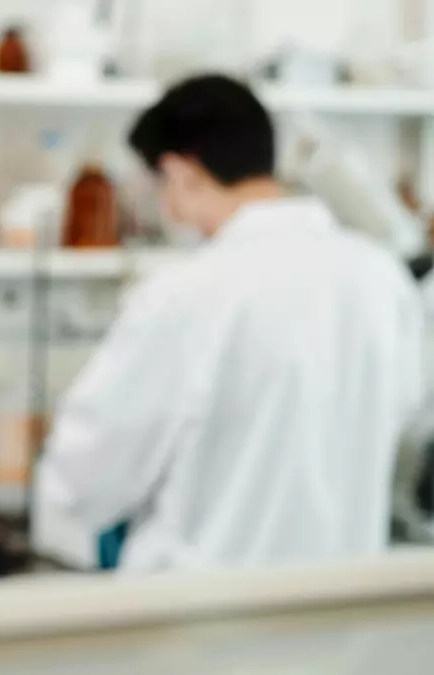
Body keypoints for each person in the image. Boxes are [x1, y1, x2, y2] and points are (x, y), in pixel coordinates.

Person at [33, 74, 424, 573]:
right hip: (339, 616)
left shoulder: (185, 295)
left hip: (203, 624)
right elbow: (406, 419)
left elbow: (85, 477)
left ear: (180, 170)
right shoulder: (380, 277)